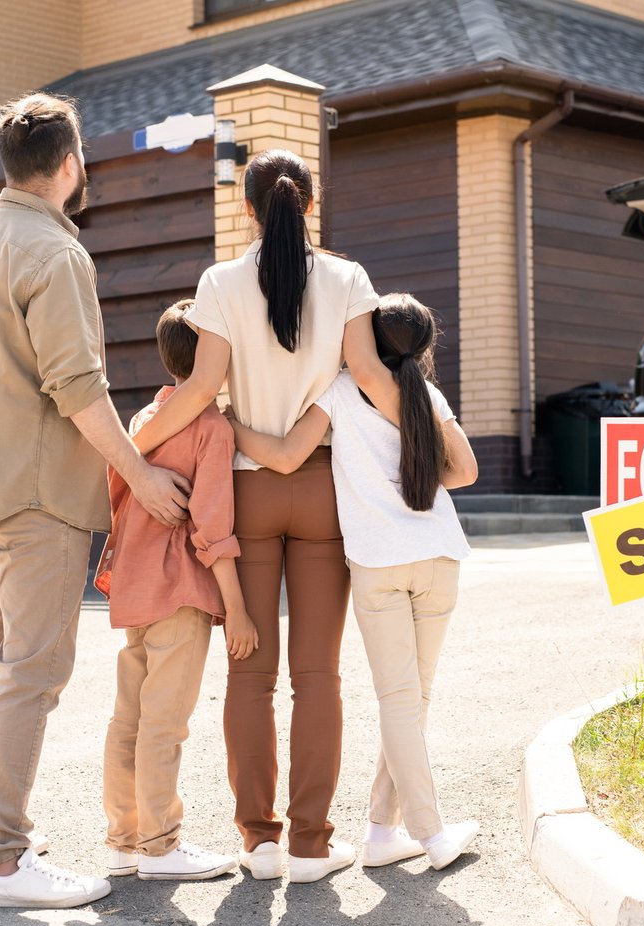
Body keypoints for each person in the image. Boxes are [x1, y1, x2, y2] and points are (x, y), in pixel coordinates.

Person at [0, 91, 191, 910]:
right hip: (38, 494)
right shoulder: (55, 252)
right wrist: (142, 476)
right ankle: (2, 862)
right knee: (30, 672)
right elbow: (77, 387)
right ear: (71, 165)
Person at [125, 148, 400, 884]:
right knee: (319, 676)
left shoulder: (218, 283)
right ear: (310, 203)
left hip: (244, 492)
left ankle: (259, 841)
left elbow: (200, 390)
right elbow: (369, 377)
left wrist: (129, 449)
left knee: (250, 675)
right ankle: (311, 844)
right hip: (321, 489)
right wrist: (425, 441)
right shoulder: (348, 279)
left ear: (247, 208)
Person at [228, 294, 482, 872]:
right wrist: (413, 484)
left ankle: (428, 833)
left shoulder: (339, 392)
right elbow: (465, 470)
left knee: (400, 701)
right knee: (413, 700)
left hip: (377, 564)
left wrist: (232, 426)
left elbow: (289, 457)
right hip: (439, 554)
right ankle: (380, 831)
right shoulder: (426, 394)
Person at [93, 299, 257, 882]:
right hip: (182, 591)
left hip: (132, 588)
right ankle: (161, 847)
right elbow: (211, 527)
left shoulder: (141, 422)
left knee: (129, 720)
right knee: (165, 724)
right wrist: (236, 608)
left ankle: (124, 840)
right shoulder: (210, 427)